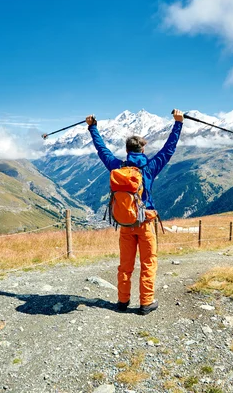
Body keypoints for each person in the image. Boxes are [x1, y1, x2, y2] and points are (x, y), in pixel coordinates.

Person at [86, 109, 184, 315]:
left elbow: (101, 149)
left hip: (126, 224)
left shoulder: (117, 167)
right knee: (148, 263)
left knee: (125, 265)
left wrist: (92, 127)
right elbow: (169, 148)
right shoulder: (149, 168)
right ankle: (145, 303)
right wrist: (178, 123)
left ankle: (122, 302)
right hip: (145, 223)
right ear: (142, 149)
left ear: (127, 150)